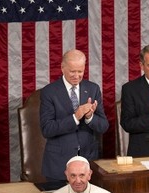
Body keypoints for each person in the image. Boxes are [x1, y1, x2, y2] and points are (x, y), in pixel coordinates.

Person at [39, 49, 109, 183]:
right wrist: (75, 117)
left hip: (87, 163)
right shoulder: (49, 92)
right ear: (62, 67)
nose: (76, 76)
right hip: (58, 165)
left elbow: (103, 126)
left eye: (80, 71)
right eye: (72, 71)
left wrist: (89, 117)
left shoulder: (93, 89)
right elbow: (47, 129)